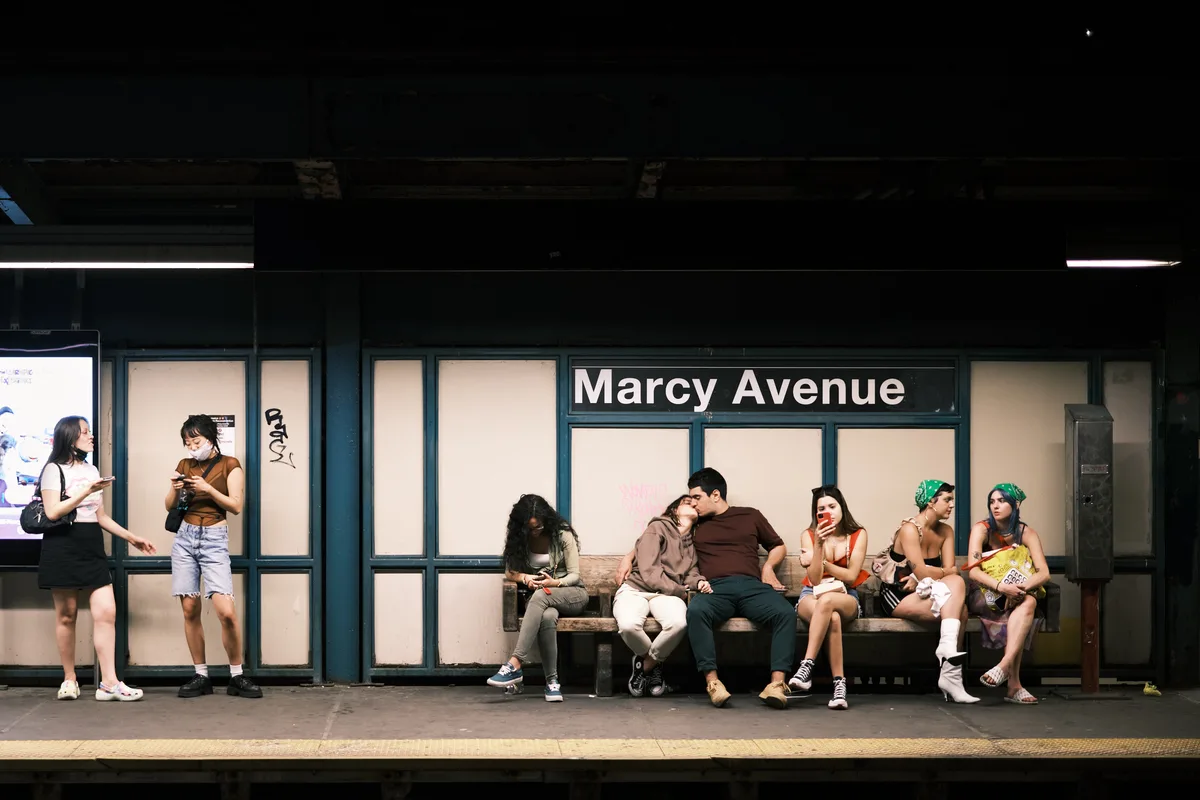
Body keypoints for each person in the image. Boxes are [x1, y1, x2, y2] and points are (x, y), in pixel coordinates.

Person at [616, 467, 795, 709]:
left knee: (784, 613)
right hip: (715, 588)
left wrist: (768, 568)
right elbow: (662, 536)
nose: (694, 503)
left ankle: (776, 685)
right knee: (696, 612)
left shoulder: (750, 515)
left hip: (751, 586)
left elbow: (777, 546)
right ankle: (713, 683)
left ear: (716, 495)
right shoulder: (697, 524)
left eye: (697, 497)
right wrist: (629, 557)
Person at [37, 415, 156, 701]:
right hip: (62, 545)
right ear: (70, 438)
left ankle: (109, 683)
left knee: (106, 612)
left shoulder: (91, 469)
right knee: (67, 616)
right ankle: (69, 680)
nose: (91, 437)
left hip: (91, 545)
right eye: (86, 433)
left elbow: (100, 516)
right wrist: (85, 492)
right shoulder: (53, 470)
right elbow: (53, 512)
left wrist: (131, 537)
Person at [165, 414, 261, 699]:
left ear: (210, 438)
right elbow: (168, 504)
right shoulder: (184, 465)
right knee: (189, 609)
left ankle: (236, 675)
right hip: (184, 538)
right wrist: (176, 487)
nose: (192, 446)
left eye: (196, 440)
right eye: (187, 441)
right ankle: (201, 674)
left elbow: (236, 506)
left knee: (226, 612)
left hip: (214, 539)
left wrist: (207, 489)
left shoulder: (230, 465)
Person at [874, 480, 978, 704]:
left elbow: (952, 575)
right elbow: (923, 572)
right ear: (931, 501)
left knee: (957, 589)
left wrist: (936, 572)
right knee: (961, 612)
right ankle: (951, 676)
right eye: (947, 499)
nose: (951, 505)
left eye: (952, 500)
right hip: (897, 595)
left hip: (927, 591)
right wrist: (940, 571)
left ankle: (948, 656)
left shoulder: (946, 531)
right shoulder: (909, 529)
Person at [488, 494, 588, 702]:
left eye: (539, 527)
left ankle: (515, 663)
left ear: (546, 520)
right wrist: (526, 578)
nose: (535, 531)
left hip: (572, 594)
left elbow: (574, 575)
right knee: (548, 616)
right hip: (542, 599)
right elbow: (510, 572)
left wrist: (554, 583)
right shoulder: (520, 540)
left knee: (543, 596)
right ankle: (552, 683)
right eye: (530, 528)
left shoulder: (562, 535)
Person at [614, 494, 709, 698]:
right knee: (628, 625)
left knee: (679, 623)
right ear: (674, 510)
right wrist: (680, 591)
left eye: (695, 502)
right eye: (687, 502)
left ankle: (645, 665)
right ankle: (653, 663)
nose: (693, 503)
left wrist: (698, 581)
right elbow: (649, 571)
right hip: (636, 589)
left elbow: (690, 573)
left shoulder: (691, 544)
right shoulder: (657, 528)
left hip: (666, 595)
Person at [966, 483, 1049, 705]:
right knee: (1026, 604)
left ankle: (1003, 667)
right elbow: (973, 570)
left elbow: (1044, 573)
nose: (995, 506)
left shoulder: (1026, 533)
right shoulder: (981, 529)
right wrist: (1003, 588)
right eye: (992, 501)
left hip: (1017, 592)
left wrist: (1019, 589)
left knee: (1027, 601)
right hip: (985, 593)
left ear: (1016, 504)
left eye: (1001, 501)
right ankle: (1014, 684)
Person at [787, 485, 869, 710]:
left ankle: (806, 667)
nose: (828, 512)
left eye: (832, 506)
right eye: (821, 508)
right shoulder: (810, 535)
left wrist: (821, 561)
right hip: (811, 595)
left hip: (845, 595)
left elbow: (851, 577)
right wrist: (819, 544)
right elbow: (813, 580)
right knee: (830, 616)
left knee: (828, 603)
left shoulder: (857, 535)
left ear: (842, 507)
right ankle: (839, 687)